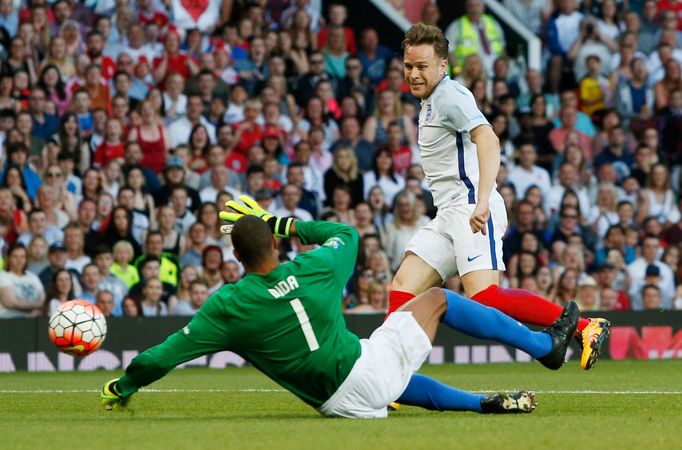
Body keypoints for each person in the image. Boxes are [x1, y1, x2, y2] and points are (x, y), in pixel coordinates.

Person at [101, 196, 579, 417]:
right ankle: (543, 347)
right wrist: (282, 222)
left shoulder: (226, 306)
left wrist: (122, 386)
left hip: (336, 403)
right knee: (437, 299)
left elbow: (161, 356)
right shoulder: (315, 270)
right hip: (361, 370)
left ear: (235, 256)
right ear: (273, 241)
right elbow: (346, 234)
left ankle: (481, 404)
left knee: (389, 368)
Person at [392, 23, 609, 370]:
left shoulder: (451, 96)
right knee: (403, 285)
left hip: (471, 208)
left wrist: (480, 203)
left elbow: (488, 140)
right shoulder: (430, 101)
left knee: (485, 297)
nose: (414, 74)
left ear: (443, 65)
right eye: (408, 66)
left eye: (422, 66)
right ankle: (390, 373)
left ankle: (585, 327)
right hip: (448, 213)